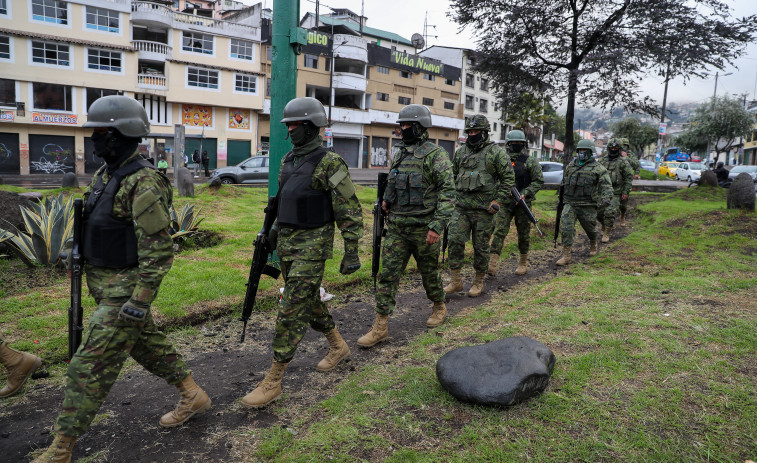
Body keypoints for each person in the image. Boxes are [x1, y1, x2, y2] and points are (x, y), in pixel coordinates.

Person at [32, 96, 211, 463]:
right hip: (103, 285)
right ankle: (192, 394)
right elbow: (95, 219)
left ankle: (62, 447)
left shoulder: (142, 182)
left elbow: (159, 251)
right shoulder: (107, 175)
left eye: (100, 133)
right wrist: (73, 248)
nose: (93, 140)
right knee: (146, 344)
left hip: (124, 293)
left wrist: (139, 301)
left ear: (120, 134)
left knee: (87, 365)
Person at [240, 97, 363, 409]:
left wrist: (351, 251)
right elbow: (285, 204)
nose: (290, 130)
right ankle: (338, 346)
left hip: (313, 247)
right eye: (288, 125)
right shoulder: (288, 161)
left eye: (295, 124)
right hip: (289, 248)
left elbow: (349, 209)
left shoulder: (331, 163)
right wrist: (272, 234)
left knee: (291, 308)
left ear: (311, 126)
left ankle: (273, 380)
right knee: (306, 300)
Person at [357, 104, 455, 348]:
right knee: (387, 276)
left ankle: (439, 306)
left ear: (420, 127)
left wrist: (436, 226)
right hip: (398, 227)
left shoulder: (436, 155)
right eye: (401, 125)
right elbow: (393, 180)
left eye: (407, 125)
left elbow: (448, 193)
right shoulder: (399, 153)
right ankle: (380, 325)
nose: (402, 129)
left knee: (430, 274)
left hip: (425, 229)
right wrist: (386, 201)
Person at [444, 115, 514, 296]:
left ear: (484, 133)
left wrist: (497, 200)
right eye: (470, 131)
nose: (472, 134)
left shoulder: (496, 152)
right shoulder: (461, 152)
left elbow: (508, 179)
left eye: (476, 132)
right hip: (461, 207)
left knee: (481, 246)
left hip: (484, 210)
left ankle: (478, 280)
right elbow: (453, 175)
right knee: (454, 240)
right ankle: (456, 280)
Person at [488, 129, 543, 276]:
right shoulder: (501, 159)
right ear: (508, 144)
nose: (516, 145)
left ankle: (523, 262)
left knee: (523, 234)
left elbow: (538, 181)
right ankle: (492, 264)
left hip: (522, 203)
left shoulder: (530, 161)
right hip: (504, 203)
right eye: (514, 143)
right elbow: (493, 179)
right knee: (499, 232)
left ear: (523, 144)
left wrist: (526, 193)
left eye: (519, 143)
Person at [556, 139, 613, 266]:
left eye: (585, 151)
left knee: (590, 229)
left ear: (590, 152)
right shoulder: (571, 166)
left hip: (587, 204)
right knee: (566, 228)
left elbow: (606, 186)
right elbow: (565, 183)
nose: (582, 153)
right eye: (580, 151)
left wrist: (606, 199)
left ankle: (593, 242)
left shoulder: (598, 168)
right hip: (570, 203)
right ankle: (566, 255)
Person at [597, 138, 633, 243]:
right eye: (611, 147)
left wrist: (625, 192)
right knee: (599, 213)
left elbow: (628, 178)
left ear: (619, 149)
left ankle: (607, 233)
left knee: (609, 212)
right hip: (602, 191)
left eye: (615, 148)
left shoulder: (623, 162)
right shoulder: (602, 160)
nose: (613, 149)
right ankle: (603, 225)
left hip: (616, 192)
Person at [619, 138, 639, 226]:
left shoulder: (630, 155)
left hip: (625, 181)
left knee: (623, 202)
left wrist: (626, 157)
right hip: (614, 181)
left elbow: (636, 165)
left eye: (625, 146)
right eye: (622, 145)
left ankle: (622, 215)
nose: (623, 147)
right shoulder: (614, 154)